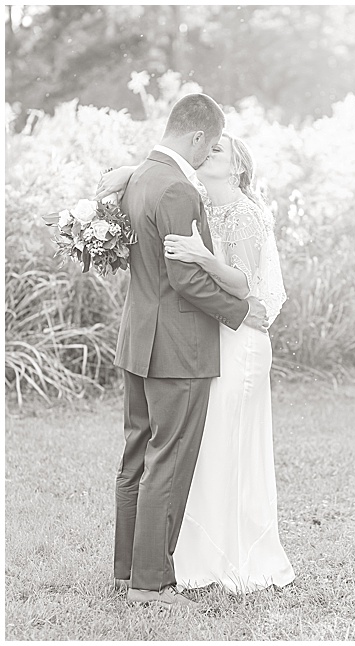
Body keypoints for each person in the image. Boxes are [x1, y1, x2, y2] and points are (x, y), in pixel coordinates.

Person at [99, 130, 296, 595]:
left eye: (220, 150)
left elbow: (246, 287)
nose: (209, 152)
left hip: (240, 339)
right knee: (200, 447)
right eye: (208, 146)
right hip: (205, 336)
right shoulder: (196, 198)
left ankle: (230, 551)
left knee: (227, 442)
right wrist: (128, 171)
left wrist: (202, 256)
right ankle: (192, 552)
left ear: (238, 167)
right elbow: (161, 177)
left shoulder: (247, 215)